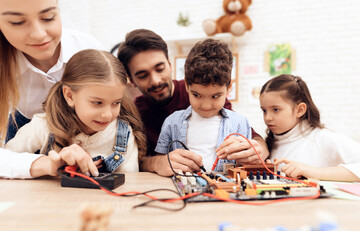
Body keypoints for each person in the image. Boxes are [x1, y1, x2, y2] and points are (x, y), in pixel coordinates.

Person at [117, 29, 269, 176]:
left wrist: (259, 148)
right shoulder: (134, 112)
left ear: (170, 65)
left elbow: (251, 136)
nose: (156, 80)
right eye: (143, 75)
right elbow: (132, 159)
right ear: (131, 81)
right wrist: (156, 163)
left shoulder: (204, 87)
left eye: (160, 68)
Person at [0, 0, 102, 178]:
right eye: (17, 22)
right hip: (23, 147)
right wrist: (42, 163)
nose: (39, 34)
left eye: (48, 17)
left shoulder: (87, 48)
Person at [6, 49, 146, 173]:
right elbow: (5, 160)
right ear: (69, 96)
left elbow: (130, 183)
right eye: (97, 103)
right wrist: (46, 164)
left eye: (116, 103)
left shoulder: (123, 134)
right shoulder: (43, 126)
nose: (107, 114)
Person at [155, 39, 252, 172]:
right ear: (187, 86)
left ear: (229, 88)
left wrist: (245, 157)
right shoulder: (172, 122)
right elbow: (161, 162)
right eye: (197, 95)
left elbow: (246, 166)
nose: (206, 105)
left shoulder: (240, 123)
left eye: (215, 96)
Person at [260, 74, 360, 182]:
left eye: (275, 109)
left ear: (300, 110)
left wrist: (313, 172)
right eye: (264, 110)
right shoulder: (267, 146)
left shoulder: (321, 138)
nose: (267, 118)